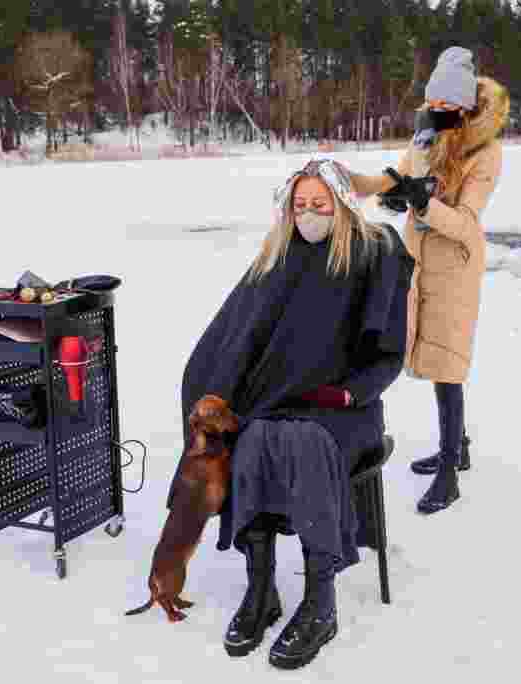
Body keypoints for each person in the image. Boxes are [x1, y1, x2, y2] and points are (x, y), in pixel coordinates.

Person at [170, 158, 413, 669]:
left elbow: (389, 356)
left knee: (301, 443)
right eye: (300, 205)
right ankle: (261, 590)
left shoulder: (374, 255)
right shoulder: (277, 259)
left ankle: (321, 603)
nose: (308, 214)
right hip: (277, 401)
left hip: (344, 409)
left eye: (319, 205)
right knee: (251, 438)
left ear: (342, 205)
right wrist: (212, 397)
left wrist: (349, 395)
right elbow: (236, 337)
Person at [351, 47, 509, 514]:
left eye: (445, 106)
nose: (436, 112)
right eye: (432, 103)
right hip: (418, 260)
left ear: (463, 105)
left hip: (455, 264)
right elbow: (396, 176)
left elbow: (465, 223)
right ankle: (454, 447)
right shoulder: (425, 135)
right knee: (430, 354)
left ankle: (449, 473)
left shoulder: (486, 152)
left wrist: (423, 205)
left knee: (447, 364)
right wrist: (358, 186)